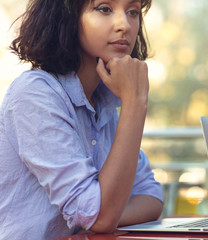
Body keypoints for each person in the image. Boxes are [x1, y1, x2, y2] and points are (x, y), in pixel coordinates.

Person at [0, 0, 164, 239]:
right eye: (104, 9)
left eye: (133, 12)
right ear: (68, 17)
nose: (125, 25)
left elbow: (151, 197)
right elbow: (100, 218)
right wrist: (135, 103)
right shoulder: (34, 94)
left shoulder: (105, 101)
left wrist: (101, 217)